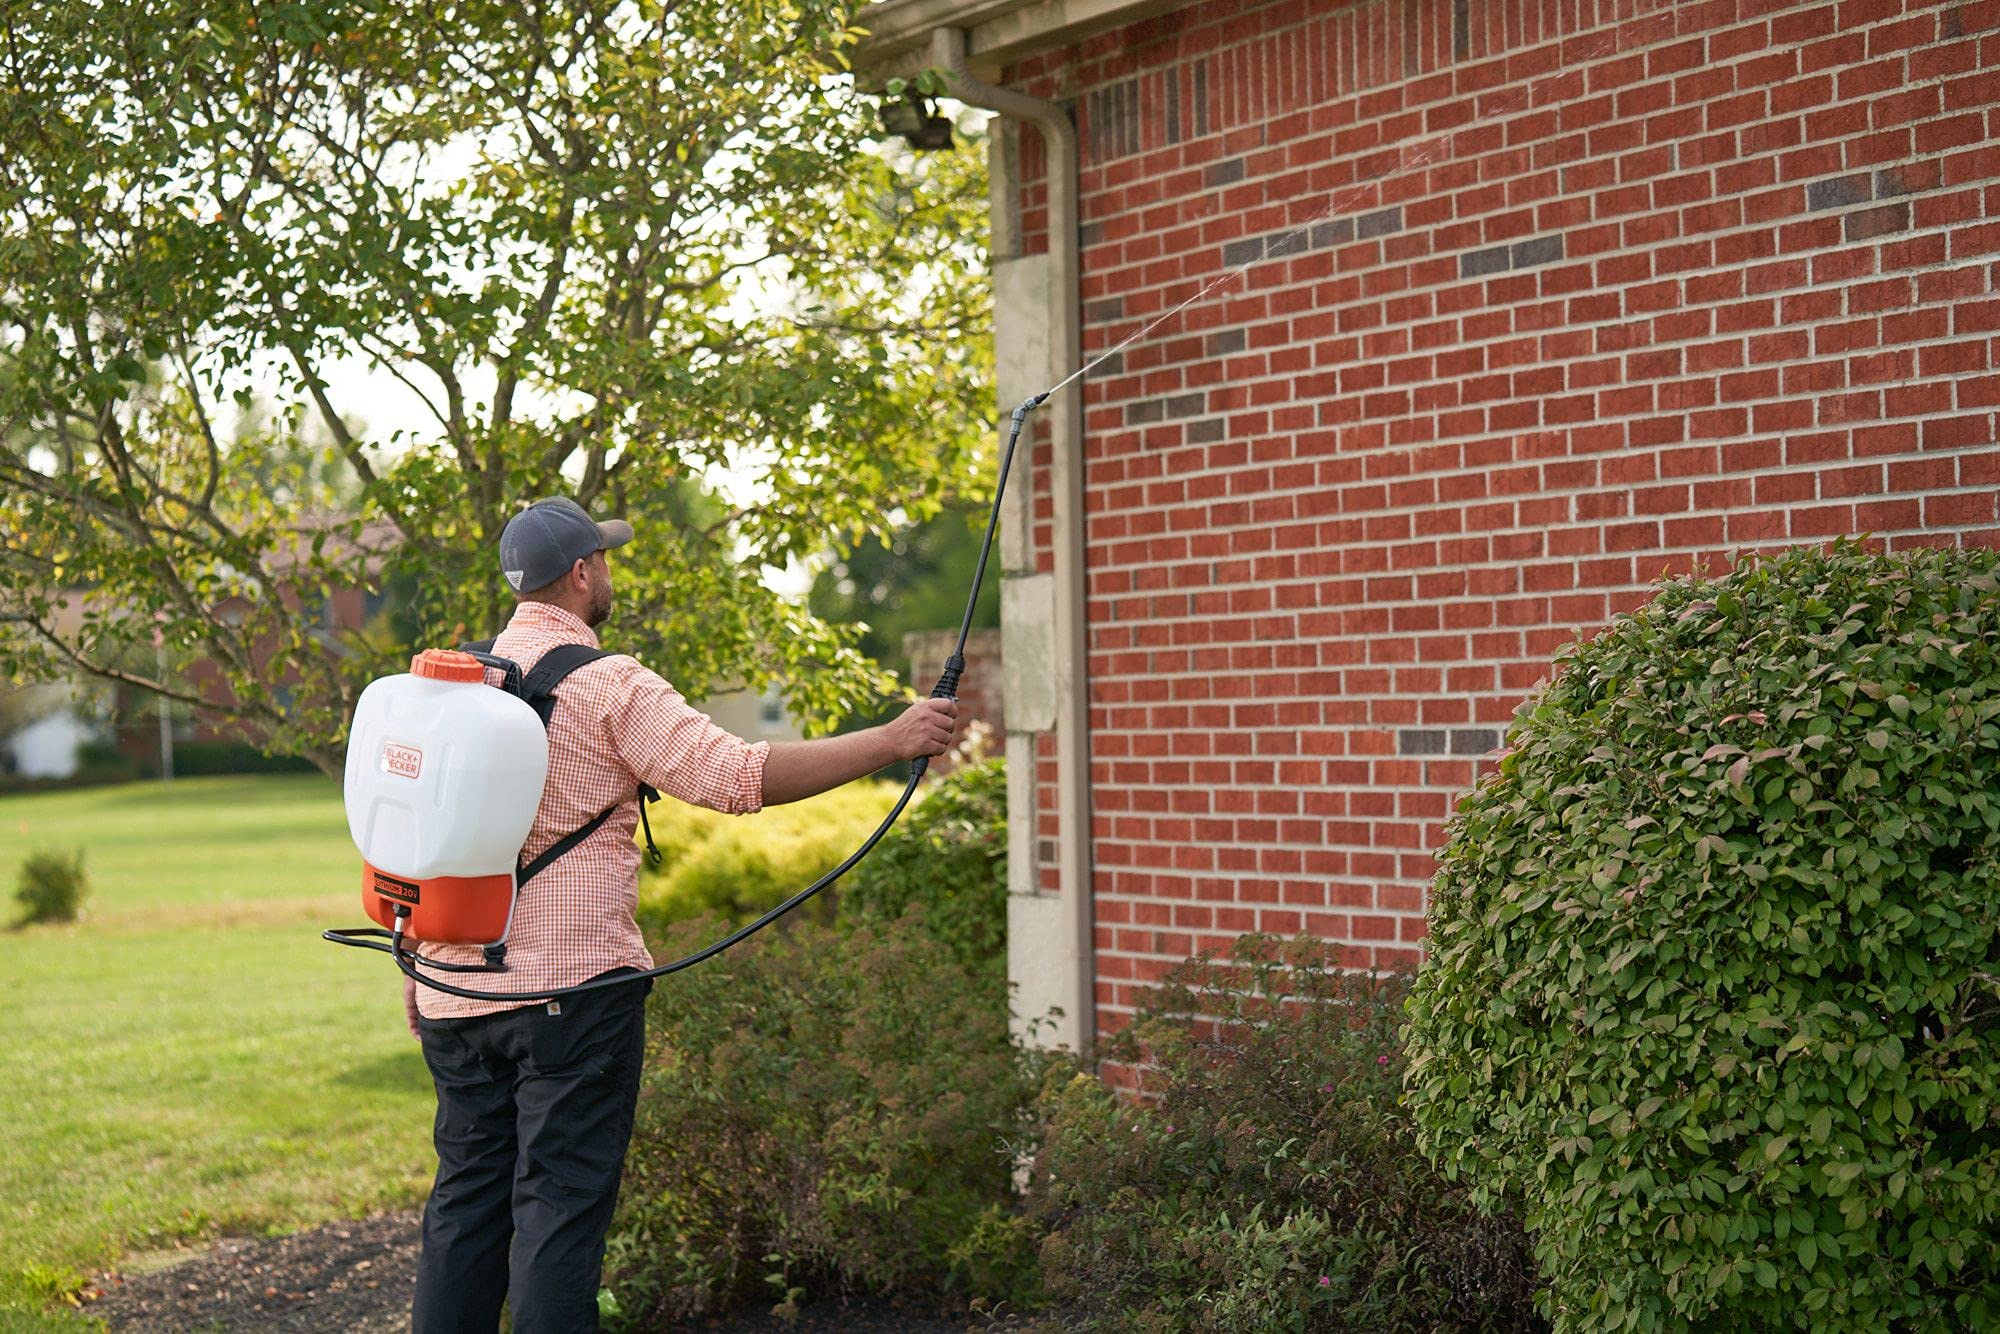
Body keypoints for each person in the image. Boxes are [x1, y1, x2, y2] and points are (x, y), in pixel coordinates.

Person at [405, 496, 960, 1333]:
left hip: (451, 985)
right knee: (556, 1214)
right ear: (584, 572)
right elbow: (737, 777)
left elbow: (405, 831)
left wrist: (410, 964)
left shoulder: (446, 684)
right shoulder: (609, 686)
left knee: (464, 1212)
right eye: (606, 560)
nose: (610, 573)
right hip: (573, 1000)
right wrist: (892, 740)